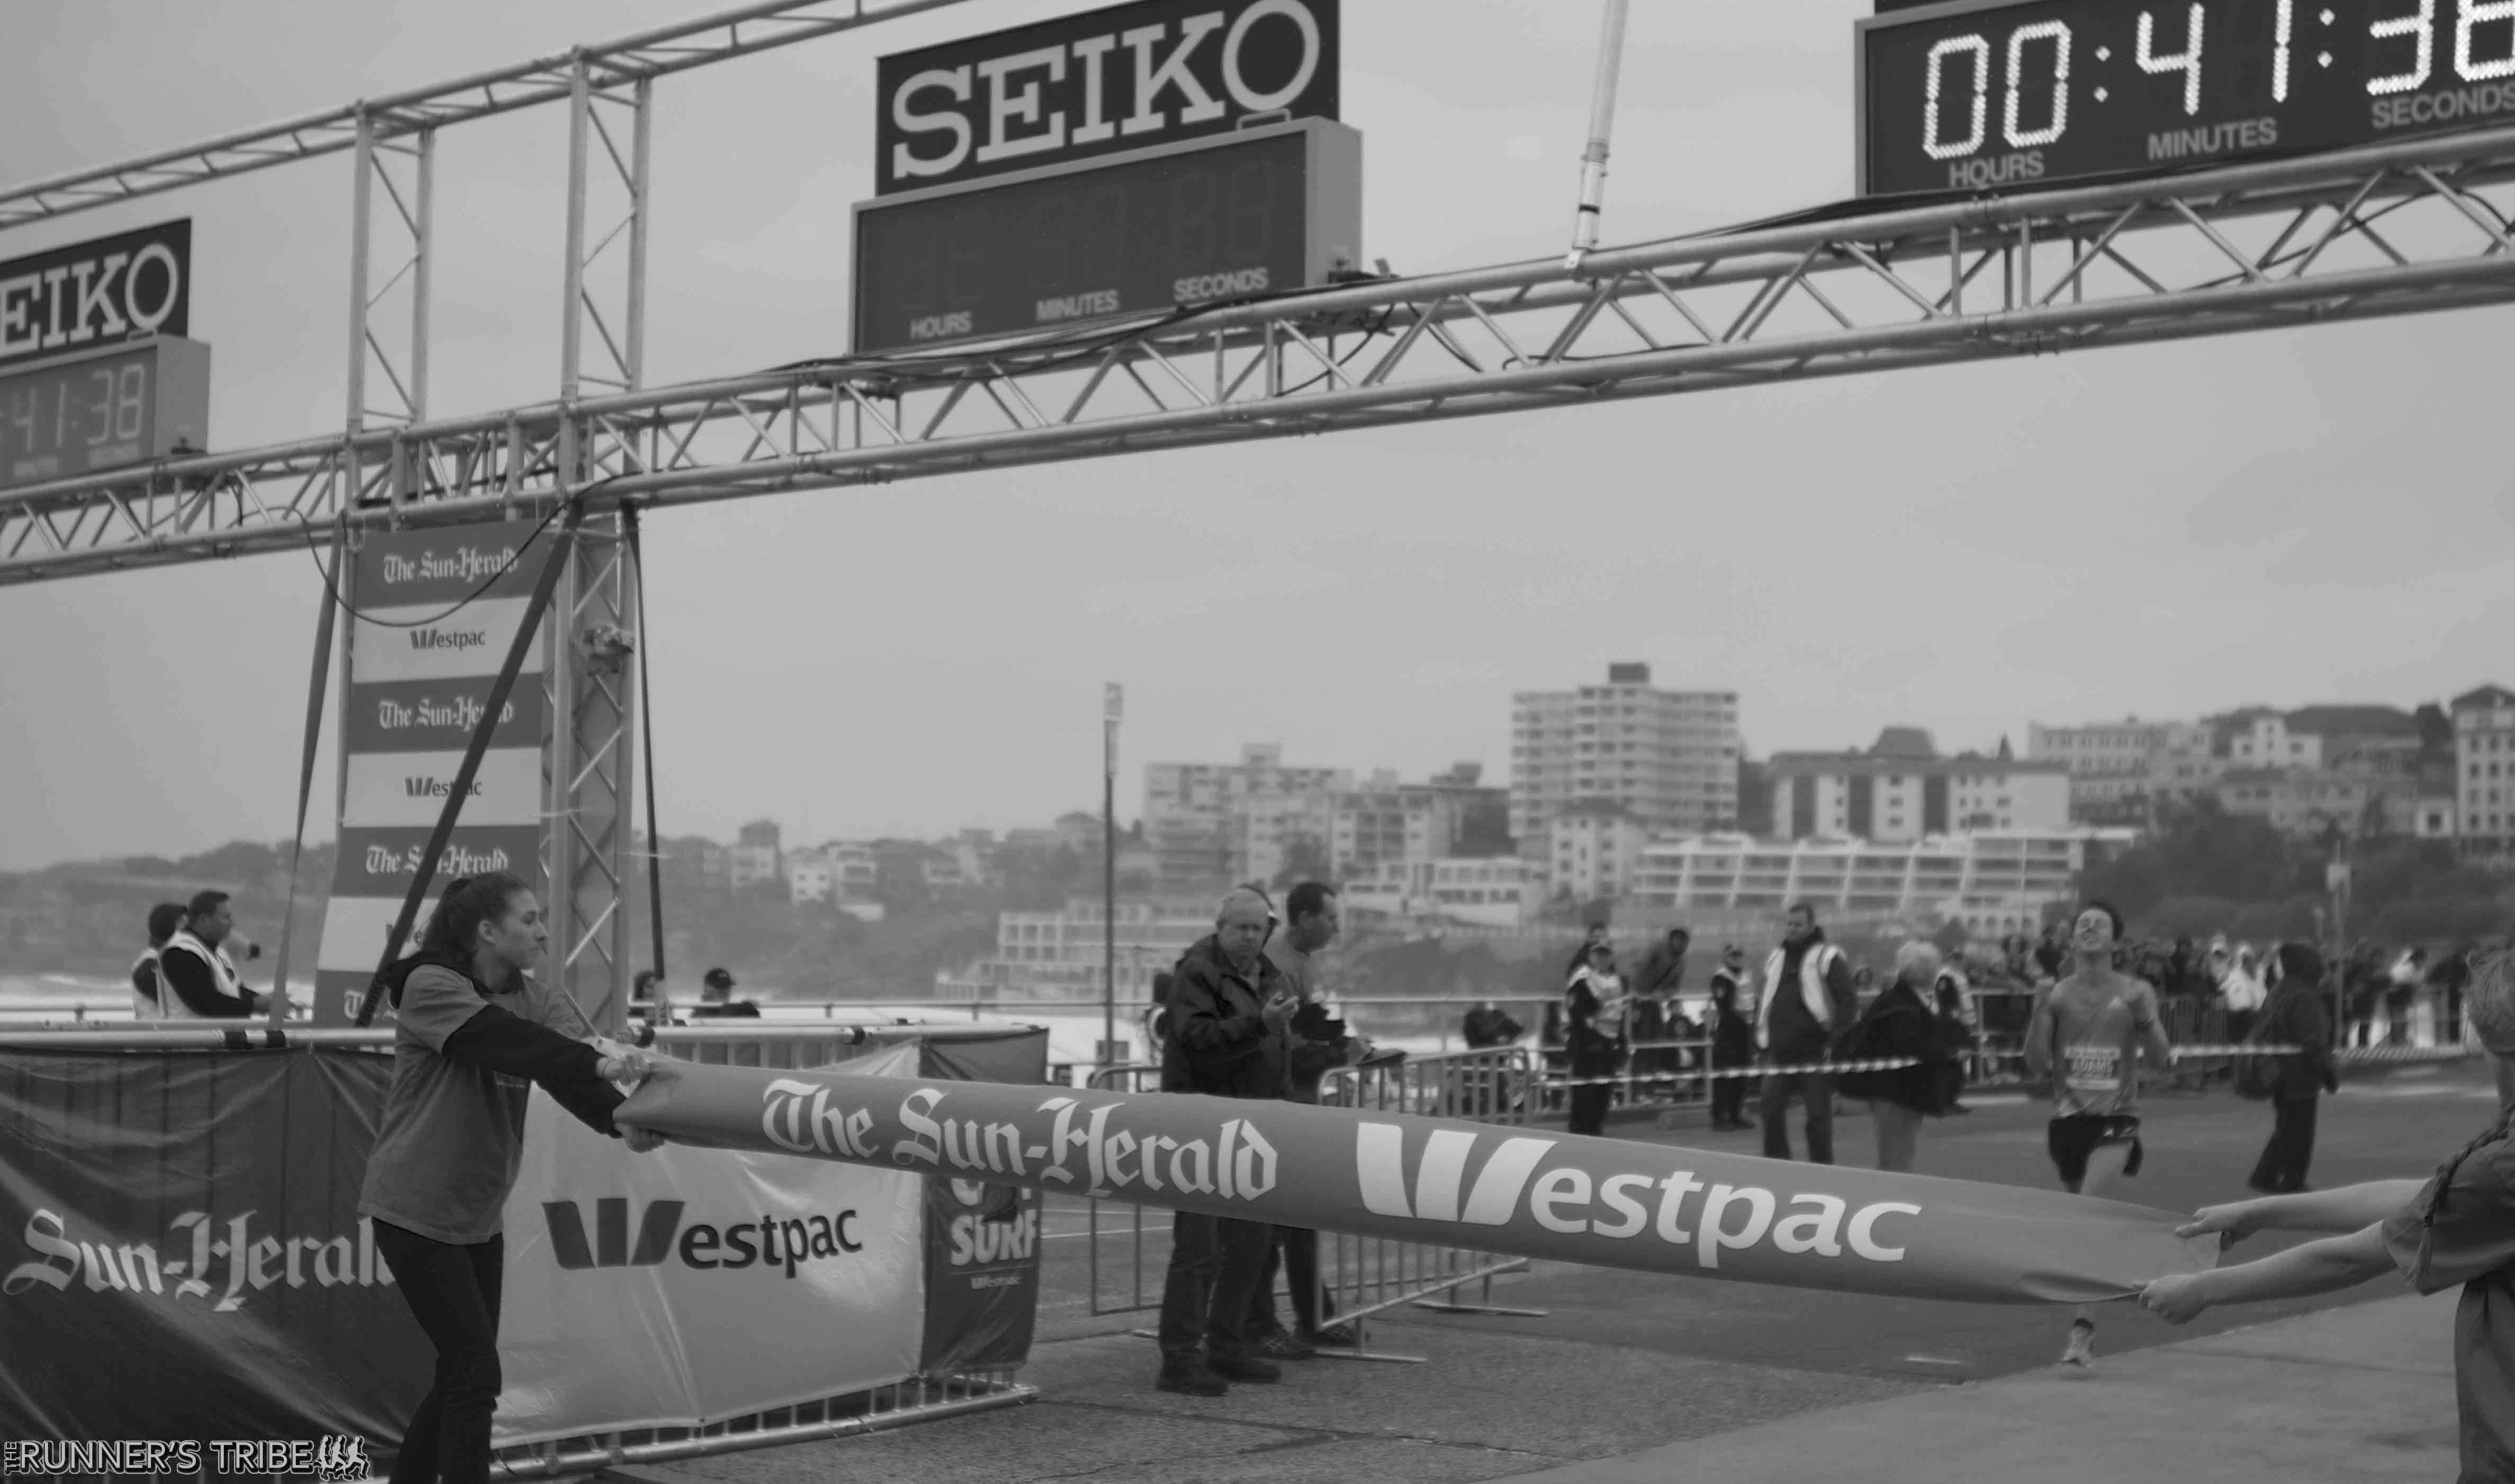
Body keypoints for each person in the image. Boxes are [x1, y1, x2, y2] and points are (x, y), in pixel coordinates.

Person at [2138, 951, 2515, 1483]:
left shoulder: (2501, 1166)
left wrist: (2202, 1289)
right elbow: (2427, 1198)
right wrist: (2263, 1210)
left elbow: (2350, 1259)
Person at [357, 872, 664, 1484]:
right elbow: (503, 1040)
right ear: (487, 931)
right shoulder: (429, 984)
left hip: (477, 1214)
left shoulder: (537, 997)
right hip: (414, 1208)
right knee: (475, 1374)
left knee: (460, 1375)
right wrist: (595, 1062)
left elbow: (566, 1068)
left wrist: (621, 1117)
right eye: (529, 919)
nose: (544, 932)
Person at [1154, 886, 1297, 1397]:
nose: (1250, 937)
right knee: (1198, 1250)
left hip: (1255, 1127)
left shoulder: (1268, 976)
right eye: (1241, 928)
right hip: (1200, 1125)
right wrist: (1259, 1023)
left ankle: (1227, 1347)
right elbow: (1197, 1042)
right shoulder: (1198, 974)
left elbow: (1278, 1051)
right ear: (1221, 927)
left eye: (1259, 928)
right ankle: (1179, 1360)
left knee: (1251, 1245)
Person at [2024, 900, 2174, 1369]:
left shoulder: (2134, 991)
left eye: (2099, 924)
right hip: (2067, 1120)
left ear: (2115, 941)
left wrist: (2144, 1019)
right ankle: (2120, 1272)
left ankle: (2081, 1330)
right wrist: (2036, 1011)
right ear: (2071, 939)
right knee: (2088, 1221)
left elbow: (2161, 1062)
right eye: (2082, 924)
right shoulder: (2056, 995)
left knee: (2087, 1214)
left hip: (2117, 1118)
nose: (2089, 929)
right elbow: (2035, 1064)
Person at [1247, 882, 1366, 1358]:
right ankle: (1261, 1324)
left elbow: (1307, 1027)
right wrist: (1339, 1054)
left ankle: (1314, 1317)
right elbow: (1286, 1046)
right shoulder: (1278, 963)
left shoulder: (1302, 960)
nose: (1336, 927)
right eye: (1330, 918)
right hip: (1280, 1111)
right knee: (1272, 1227)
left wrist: (1341, 1044)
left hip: (1300, 1109)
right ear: (1304, 918)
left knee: (1301, 1219)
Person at [1836, 942, 1962, 1172]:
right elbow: (1910, 1045)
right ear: (1925, 972)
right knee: (1896, 1161)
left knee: (1897, 1156)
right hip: (1897, 1093)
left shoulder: (1897, 999)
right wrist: (1945, 1052)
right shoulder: (1902, 1005)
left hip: (1898, 1092)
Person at [1753, 902, 1856, 1163]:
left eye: (1798, 925)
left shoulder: (1828, 957)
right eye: (1789, 924)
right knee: (1770, 1108)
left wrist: (1836, 1040)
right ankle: (1778, 1165)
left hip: (1815, 1050)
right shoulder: (1775, 958)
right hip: (1778, 1050)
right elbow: (1763, 1001)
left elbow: (1847, 1001)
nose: (1792, 929)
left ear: (1811, 926)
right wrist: (1759, 1043)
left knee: (1818, 1116)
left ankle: (1821, 1169)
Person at [2248, 942, 2340, 1195]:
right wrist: (2328, 1074)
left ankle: (2266, 1175)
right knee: (2300, 1131)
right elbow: (2312, 1041)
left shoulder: (2279, 991)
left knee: (2287, 1127)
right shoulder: (2305, 996)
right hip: (2300, 1073)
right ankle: (2292, 1180)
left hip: (2277, 1070)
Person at [157, 890, 283, 1019]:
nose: (232, 923)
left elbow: (236, 991)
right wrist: (253, 1005)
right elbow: (205, 1002)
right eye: (226, 917)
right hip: (190, 1032)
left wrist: (267, 1001)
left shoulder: (220, 953)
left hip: (223, 1031)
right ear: (203, 920)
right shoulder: (179, 952)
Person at [1564, 939, 1629, 1136]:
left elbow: (1619, 1012)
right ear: (1591, 956)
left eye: (1606, 954)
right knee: (1585, 1092)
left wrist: (1622, 1042)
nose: (1602, 959)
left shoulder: (1616, 980)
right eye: (1598, 954)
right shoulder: (1583, 979)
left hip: (1610, 1040)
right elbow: (1577, 1014)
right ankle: (1580, 1133)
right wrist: (1588, 1041)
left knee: (1604, 1091)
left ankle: (1596, 1130)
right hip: (1587, 1043)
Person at [1705, 946, 1756, 1132]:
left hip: (1745, 1031)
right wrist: (1743, 1020)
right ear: (1726, 958)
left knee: (1741, 1075)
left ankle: (1735, 1114)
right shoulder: (1721, 979)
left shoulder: (1746, 977)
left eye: (1739, 955)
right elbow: (1724, 1008)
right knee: (1724, 1076)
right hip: (1727, 1032)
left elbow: (1753, 1002)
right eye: (1733, 956)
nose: (1736, 959)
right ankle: (1719, 1117)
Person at [129, 901, 186, 1018]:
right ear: (167, 927)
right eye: (182, 922)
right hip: (159, 1028)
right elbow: (181, 1000)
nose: (188, 928)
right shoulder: (149, 965)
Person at [2220, 943, 2268, 1045]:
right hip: (2241, 1018)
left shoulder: (2255, 977)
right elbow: (2228, 994)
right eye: (2248, 961)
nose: (2253, 966)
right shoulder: (2236, 976)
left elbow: (2261, 996)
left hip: (2255, 1017)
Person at [2388, 947, 2429, 1048]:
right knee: (2397, 1019)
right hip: (2396, 997)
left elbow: (2417, 982)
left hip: (2405, 996)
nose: (2422, 962)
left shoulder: (2419, 969)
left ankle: (2401, 1039)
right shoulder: (2405, 968)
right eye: (2421, 959)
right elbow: (2396, 980)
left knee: (2403, 1019)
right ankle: (2397, 1041)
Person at [689, 966, 760, 1018]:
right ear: (707, 989)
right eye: (719, 986)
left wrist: (750, 1011)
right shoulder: (700, 1014)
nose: (725, 991)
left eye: (727, 986)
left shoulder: (742, 1011)